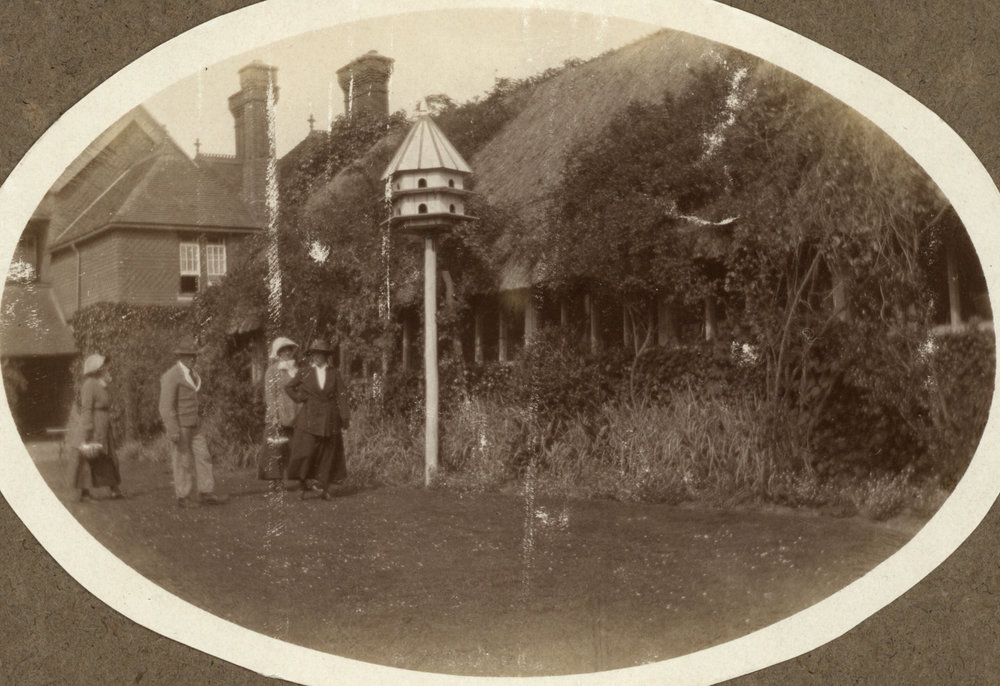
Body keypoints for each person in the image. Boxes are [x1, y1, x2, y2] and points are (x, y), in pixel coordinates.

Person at [158, 338, 228, 508]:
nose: (193, 359)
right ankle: (183, 496)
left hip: (195, 424)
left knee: (203, 455)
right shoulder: (171, 375)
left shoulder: (193, 374)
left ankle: (206, 492)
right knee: (182, 460)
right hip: (181, 425)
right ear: (180, 356)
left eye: (194, 356)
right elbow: (165, 405)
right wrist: (172, 428)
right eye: (188, 356)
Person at [284, 339, 350, 501]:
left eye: (321, 354)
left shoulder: (334, 373)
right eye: (314, 354)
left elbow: (341, 395)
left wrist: (345, 416)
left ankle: (324, 488)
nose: (317, 357)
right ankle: (301, 485)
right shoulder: (305, 371)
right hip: (308, 418)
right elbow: (289, 387)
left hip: (330, 418)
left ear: (326, 356)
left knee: (328, 453)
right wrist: (300, 398)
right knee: (305, 452)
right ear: (311, 355)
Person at [66, 354, 124, 502]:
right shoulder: (89, 385)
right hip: (94, 426)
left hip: (104, 425)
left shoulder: (101, 384)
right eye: (104, 367)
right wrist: (88, 429)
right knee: (89, 458)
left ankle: (114, 489)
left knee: (109, 456)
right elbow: (86, 409)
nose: (107, 369)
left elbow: (104, 404)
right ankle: (85, 493)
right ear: (97, 369)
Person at [262, 336, 300, 486]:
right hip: (279, 413)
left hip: (296, 413)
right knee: (275, 448)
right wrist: (274, 416)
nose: (287, 353)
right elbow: (270, 395)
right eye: (283, 350)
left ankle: (300, 479)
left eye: (289, 349)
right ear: (278, 353)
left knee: (296, 447)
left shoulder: (298, 370)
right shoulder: (272, 371)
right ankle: (275, 481)